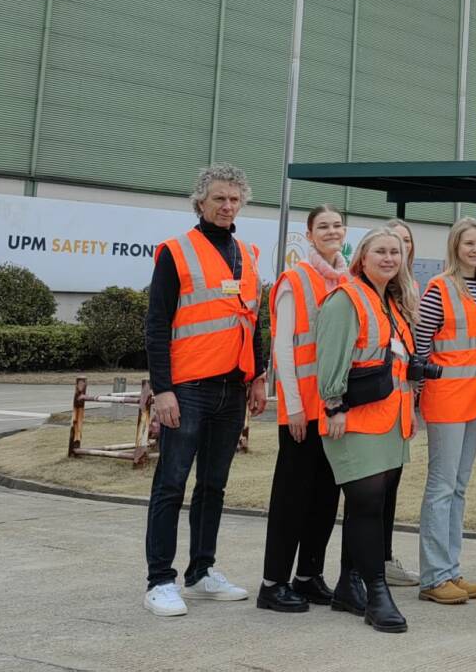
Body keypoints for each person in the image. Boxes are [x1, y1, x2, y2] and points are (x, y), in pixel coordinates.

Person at [142, 164, 267, 618]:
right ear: (200, 202)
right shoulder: (176, 253)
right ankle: (160, 580)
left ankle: (201, 571)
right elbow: (156, 326)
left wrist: (260, 375)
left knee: (213, 485)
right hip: (187, 388)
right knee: (171, 484)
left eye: (234, 199)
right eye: (218, 198)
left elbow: (252, 320)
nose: (227, 206)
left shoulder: (249, 254)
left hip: (232, 389)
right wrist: (163, 390)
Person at [315, 226, 419, 633]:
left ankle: (349, 584)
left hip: (391, 420)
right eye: (381, 251)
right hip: (355, 418)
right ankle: (377, 594)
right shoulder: (347, 297)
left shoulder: (388, 301)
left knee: (372, 506)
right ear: (362, 256)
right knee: (366, 504)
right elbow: (332, 357)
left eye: (396, 251)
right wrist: (334, 405)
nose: (390, 258)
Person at [257, 204, 349, 613]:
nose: (332, 231)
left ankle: (309, 576)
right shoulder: (295, 280)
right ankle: (272, 582)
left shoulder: (347, 279)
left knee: (325, 499)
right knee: (291, 500)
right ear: (309, 235)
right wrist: (292, 407)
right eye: (323, 227)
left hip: (332, 411)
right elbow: (283, 349)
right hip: (301, 412)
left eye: (338, 225)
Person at [413, 217, 476, 605]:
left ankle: (451, 569)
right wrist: (419, 396)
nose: (475, 250)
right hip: (446, 398)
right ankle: (433, 575)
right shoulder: (438, 288)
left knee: (458, 488)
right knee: (441, 488)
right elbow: (421, 346)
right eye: (468, 244)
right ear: (455, 247)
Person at [380, 218, 421, 588]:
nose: (399, 248)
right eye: (391, 242)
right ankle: (370, 565)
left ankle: (385, 558)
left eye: (405, 242)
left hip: (402, 407)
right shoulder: (372, 292)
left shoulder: (410, 291)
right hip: (374, 406)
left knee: (391, 488)